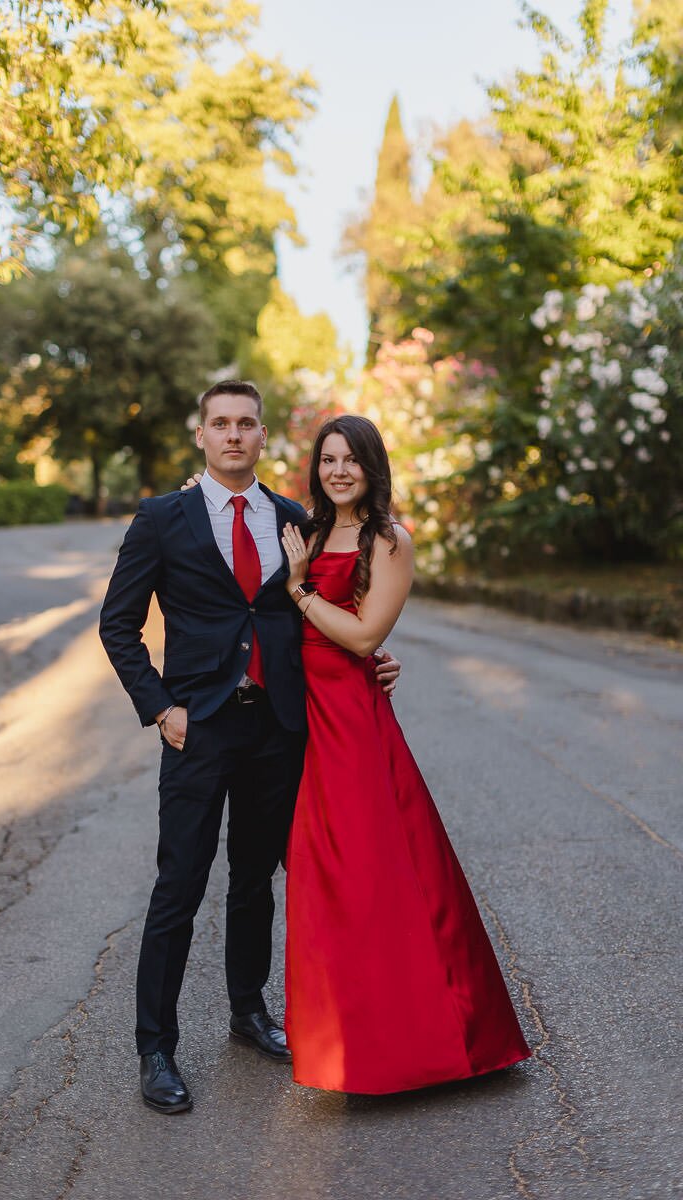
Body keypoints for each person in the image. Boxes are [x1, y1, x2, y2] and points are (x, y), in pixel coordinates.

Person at [98, 382, 400, 1114]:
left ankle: (247, 1010)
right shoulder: (161, 519)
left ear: (263, 437)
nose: (234, 435)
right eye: (220, 424)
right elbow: (118, 625)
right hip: (196, 727)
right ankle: (156, 1047)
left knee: (255, 878)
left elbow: (331, 611)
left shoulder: (295, 521)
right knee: (181, 885)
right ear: (201, 434)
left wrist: (373, 663)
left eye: (246, 425)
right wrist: (161, 709)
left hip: (276, 730)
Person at [280, 413, 532, 1094]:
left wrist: (301, 592)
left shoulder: (389, 539)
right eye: (328, 459)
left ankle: (440, 1042)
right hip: (303, 717)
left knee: (377, 870)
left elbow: (362, 639)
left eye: (350, 460)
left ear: (371, 466)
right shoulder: (306, 531)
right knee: (322, 876)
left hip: (353, 720)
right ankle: (349, 1044)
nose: (338, 471)